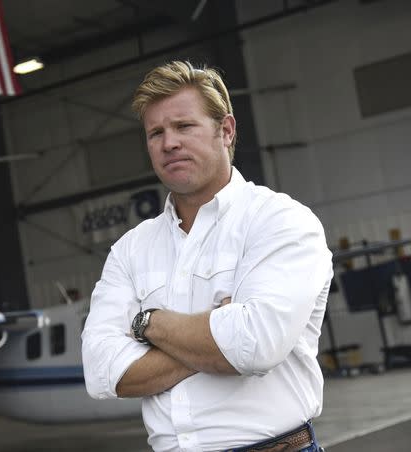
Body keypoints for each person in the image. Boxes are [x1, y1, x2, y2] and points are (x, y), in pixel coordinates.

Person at [81, 60, 333, 452]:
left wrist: (148, 325)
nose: (169, 143)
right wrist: (219, 334)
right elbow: (102, 374)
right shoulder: (130, 249)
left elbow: (255, 346)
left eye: (184, 126)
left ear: (226, 130)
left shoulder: (281, 222)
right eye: (156, 133)